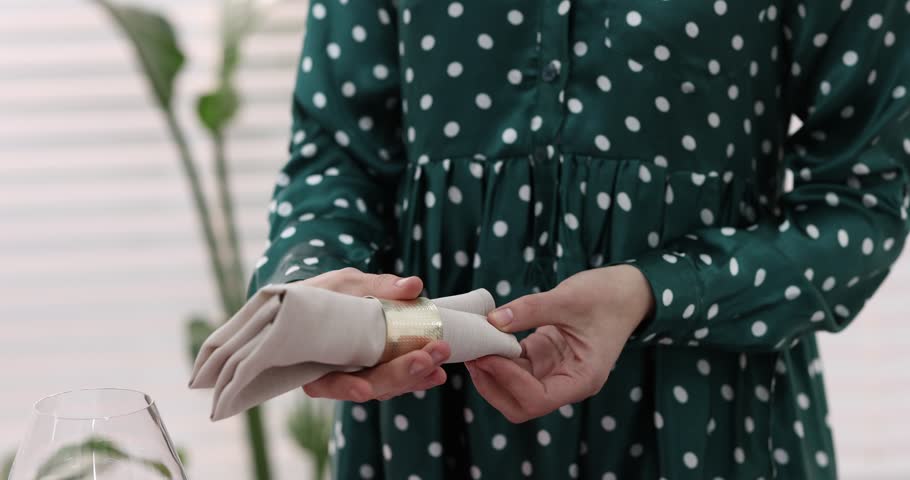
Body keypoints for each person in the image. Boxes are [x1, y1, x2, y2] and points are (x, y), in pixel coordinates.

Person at [251, 1, 910, 478]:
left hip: (706, 425)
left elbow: (859, 200)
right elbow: (338, 156)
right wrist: (318, 286)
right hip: (424, 412)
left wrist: (660, 290)